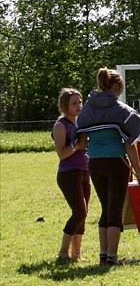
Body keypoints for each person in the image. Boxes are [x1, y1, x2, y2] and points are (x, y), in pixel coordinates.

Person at [76, 68, 140, 266]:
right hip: (117, 162)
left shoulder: (87, 110)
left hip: (95, 164)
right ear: (116, 86)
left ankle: (104, 254)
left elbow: (81, 141)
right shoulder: (121, 111)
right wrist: (139, 173)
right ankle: (112, 258)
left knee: (105, 209)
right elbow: (129, 145)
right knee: (115, 211)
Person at [52, 88, 90, 262]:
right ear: (65, 105)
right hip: (68, 174)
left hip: (84, 171)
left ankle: (76, 254)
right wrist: (76, 144)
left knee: (84, 213)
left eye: (80, 102)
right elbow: (61, 153)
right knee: (79, 212)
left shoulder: (80, 123)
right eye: (74, 103)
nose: (78, 106)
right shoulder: (61, 125)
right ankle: (62, 252)